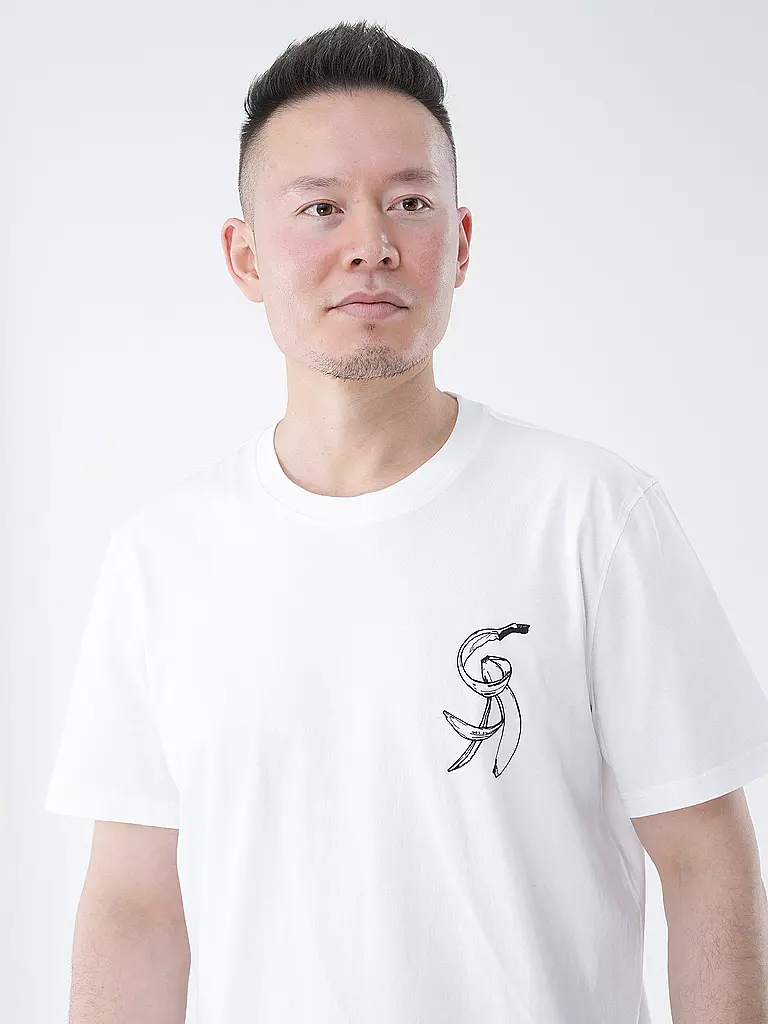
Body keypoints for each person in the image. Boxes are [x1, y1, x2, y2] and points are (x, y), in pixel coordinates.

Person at [44, 19, 768, 1024]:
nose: (371, 245)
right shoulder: (161, 559)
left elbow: (705, 863)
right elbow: (134, 907)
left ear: (459, 243)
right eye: (321, 207)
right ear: (245, 257)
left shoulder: (592, 518)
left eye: (410, 203)